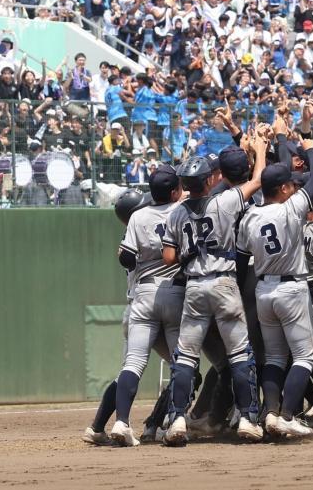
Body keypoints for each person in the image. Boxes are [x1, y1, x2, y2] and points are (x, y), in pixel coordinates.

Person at [161, 129, 269, 445]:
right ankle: (248, 419)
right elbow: (258, 180)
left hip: (194, 286)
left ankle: (177, 419)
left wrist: (187, 252)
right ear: (210, 180)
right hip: (224, 283)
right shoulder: (224, 203)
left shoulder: (176, 212)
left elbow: (168, 257)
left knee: (186, 357)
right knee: (239, 354)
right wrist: (260, 151)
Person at [235, 138, 313, 437]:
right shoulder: (291, 208)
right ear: (284, 188)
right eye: (290, 185)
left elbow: (243, 252)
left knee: (274, 357)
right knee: (304, 356)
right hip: (291, 287)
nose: (295, 188)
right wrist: (312, 148)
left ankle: (271, 413)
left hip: (263, 290)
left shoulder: (250, 215)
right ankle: (286, 414)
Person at [109, 166, 184, 446]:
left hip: (144, 292)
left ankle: (121, 422)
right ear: (175, 191)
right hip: (175, 290)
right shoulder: (182, 209)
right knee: (182, 363)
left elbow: (125, 259)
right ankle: (176, 421)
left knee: (134, 361)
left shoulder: (138, 216)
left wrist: (144, 257)